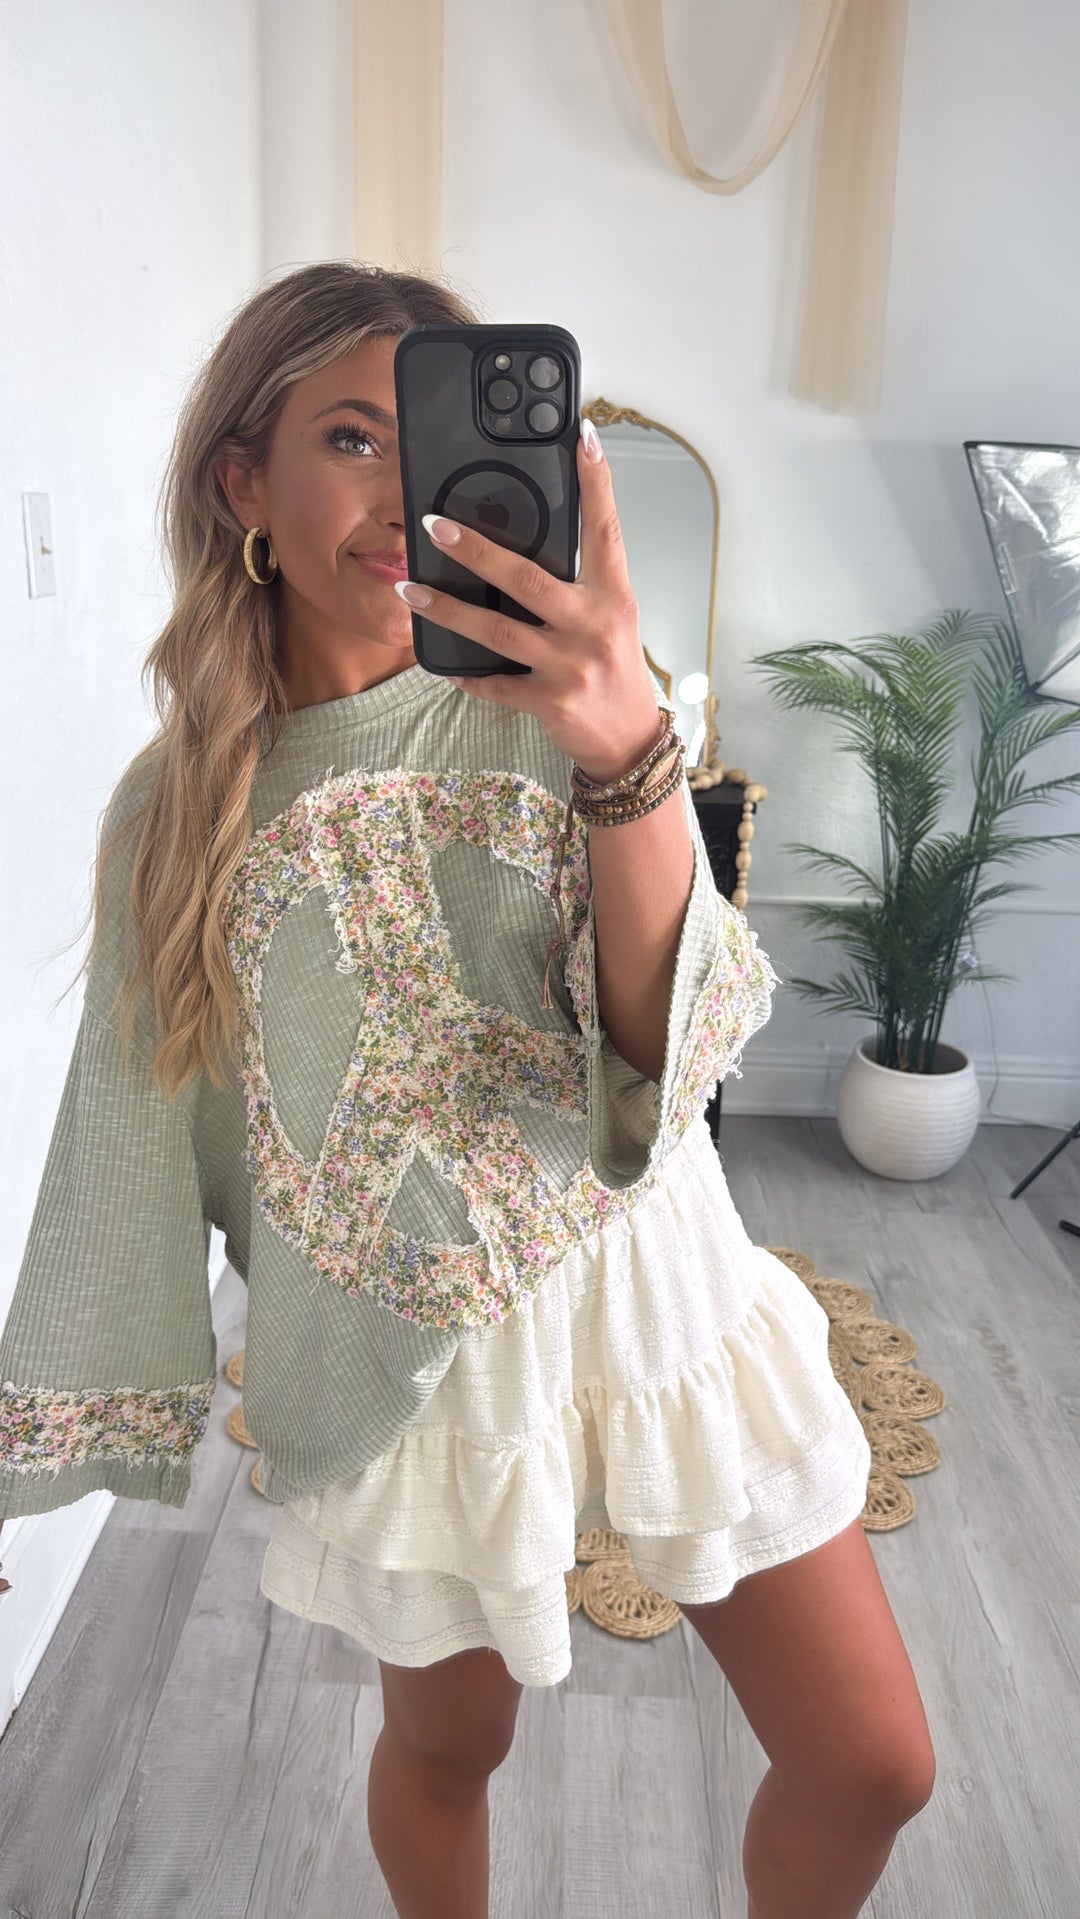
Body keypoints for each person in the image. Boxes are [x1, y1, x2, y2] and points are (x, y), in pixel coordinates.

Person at [0, 261, 934, 1918]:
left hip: (654, 1286)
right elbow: (131, 1131)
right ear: (244, 482)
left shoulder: (556, 702)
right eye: (351, 437)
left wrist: (625, 744)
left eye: (427, 445)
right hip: (418, 1364)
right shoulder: (179, 805)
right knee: (447, 1751)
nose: (397, 494)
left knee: (872, 1764)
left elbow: (663, 1052)